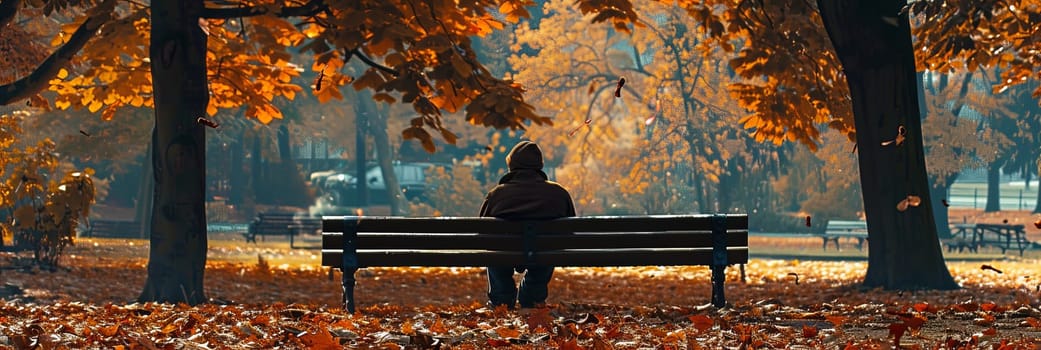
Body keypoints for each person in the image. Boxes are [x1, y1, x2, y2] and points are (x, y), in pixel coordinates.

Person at [479, 140, 576, 309]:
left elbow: (482, 233)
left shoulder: (497, 195)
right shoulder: (558, 194)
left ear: (512, 165)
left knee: (496, 251)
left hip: (504, 255)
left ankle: (501, 298)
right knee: (548, 248)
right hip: (542, 255)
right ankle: (533, 296)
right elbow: (570, 233)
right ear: (539, 165)